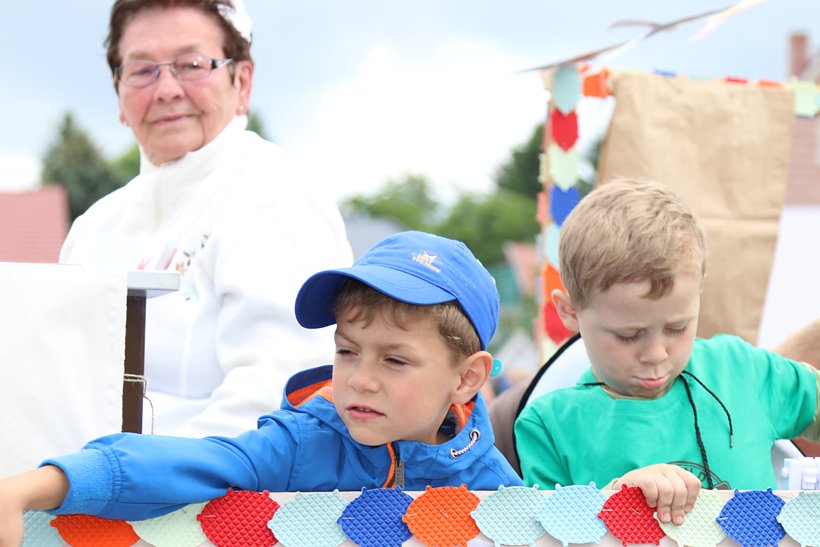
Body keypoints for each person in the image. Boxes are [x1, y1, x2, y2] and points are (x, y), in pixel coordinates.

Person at [0, 231, 523, 543]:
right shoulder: (298, 444)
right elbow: (176, 463)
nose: (361, 379)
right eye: (347, 351)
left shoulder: (490, 479)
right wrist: (28, 488)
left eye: (395, 359)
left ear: (467, 378)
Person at [58, 0, 353, 437]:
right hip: (78, 490)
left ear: (243, 82)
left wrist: (130, 478)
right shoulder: (94, 228)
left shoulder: (277, 197)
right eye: (142, 71)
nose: (166, 89)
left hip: (217, 498)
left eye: (192, 64)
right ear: (119, 94)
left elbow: (281, 398)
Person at [514, 178, 820, 526]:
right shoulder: (549, 426)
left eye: (677, 328)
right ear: (570, 312)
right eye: (629, 335)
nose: (656, 354)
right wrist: (612, 500)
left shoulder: (742, 370)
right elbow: (543, 534)